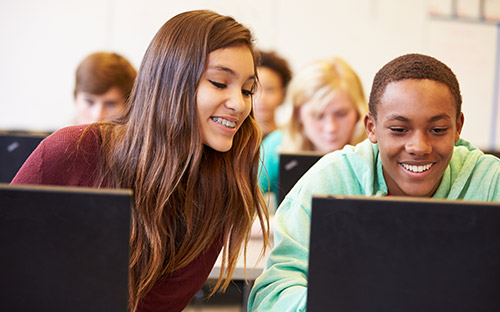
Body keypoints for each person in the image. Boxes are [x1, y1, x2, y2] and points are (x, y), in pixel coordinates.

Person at [11, 10, 269, 312]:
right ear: (171, 82)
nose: (239, 104)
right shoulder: (72, 150)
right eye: (219, 83)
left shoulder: (221, 185)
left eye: (247, 90)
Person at [248, 53, 500, 311]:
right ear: (371, 127)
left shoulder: (490, 181)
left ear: (458, 127)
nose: (418, 147)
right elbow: (272, 295)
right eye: (399, 129)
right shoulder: (330, 178)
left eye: (437, 130)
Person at [259, 56, 368, 204]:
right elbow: (235, 217)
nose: (331, 128)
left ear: (358, 113)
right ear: (298, 114)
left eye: (341, 114)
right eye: (318, 116)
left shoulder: (374, 151)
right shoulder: (277, 145)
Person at [74, 51, 137, 124]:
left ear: (129, 106)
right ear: (75, 98)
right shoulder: (59, 134)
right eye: (89, 102)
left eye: (110, 104)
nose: (98, 115)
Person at [253, 50, 292, 137]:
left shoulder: (289, 139)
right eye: (254, 89)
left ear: (283, 94)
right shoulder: (233, 139)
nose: (261, 98)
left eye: (269, 89)